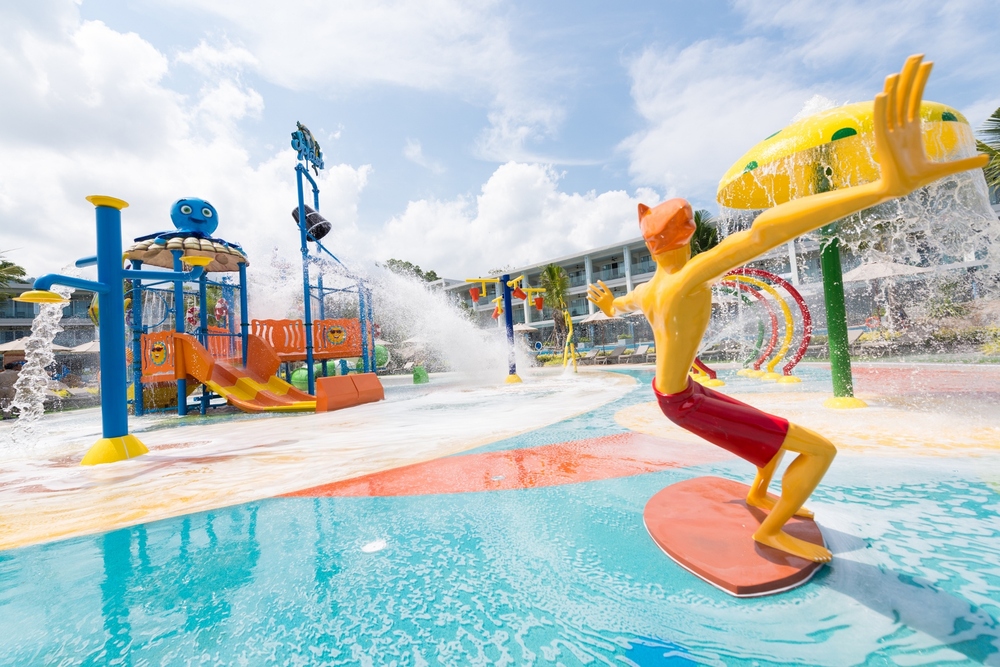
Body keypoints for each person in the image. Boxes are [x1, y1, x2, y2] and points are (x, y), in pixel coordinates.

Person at [587, 55, 986, 562]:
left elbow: (619, 304)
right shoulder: (689, 276)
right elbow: (764, 231)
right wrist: (880, 188)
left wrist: (607, 305)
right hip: (685, 401)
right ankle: (770, 532)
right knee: (820, 450)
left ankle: (760, 493)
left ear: (650, 242)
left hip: (679, 392)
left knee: (768, 432)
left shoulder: (651, 288)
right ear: (689, 231)